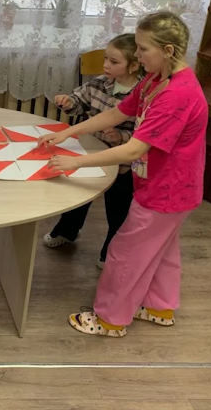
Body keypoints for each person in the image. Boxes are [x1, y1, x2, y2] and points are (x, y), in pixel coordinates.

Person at [40, 11, 207, 338]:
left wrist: (77, 163)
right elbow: (118, 112)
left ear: (168, 50)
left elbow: (133, 150)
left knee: (125, 253)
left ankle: (110, 319)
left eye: (143, 49)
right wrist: (69, 132)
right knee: (162, 250)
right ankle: (159, 307)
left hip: (166, 190)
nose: (138, 55)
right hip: (172, 187)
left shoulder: (177, 94)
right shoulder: (156, 78)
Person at [41, 33, 141, 269]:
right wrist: (68, 102)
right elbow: (79, 101)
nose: (106, 65)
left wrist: (120, 137)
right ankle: (67, 231)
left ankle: (110, 251)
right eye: (106, 58)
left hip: (122, 165)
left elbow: (142, 136)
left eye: (114, 61)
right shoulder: (98, 83)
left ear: (134, 65)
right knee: (79, 197)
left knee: (118, 211)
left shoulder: (142, 94)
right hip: (89, 155)